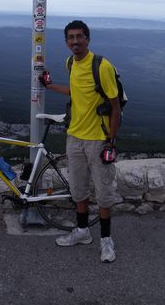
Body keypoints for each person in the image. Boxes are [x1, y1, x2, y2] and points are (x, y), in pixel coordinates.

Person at [40, 20, 121, 263]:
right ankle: (82, 231)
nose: (75, 41)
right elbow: (76, 92)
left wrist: (111, 141)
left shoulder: (102, 66)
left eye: (80, 37)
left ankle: (106, 241)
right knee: (78, 190)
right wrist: (50, 85)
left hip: (98, 139)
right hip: (74, 136)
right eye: (71, 37)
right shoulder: (70, 63)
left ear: (88, 39)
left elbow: (116, 107)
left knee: (104, 193)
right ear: (66, 41)